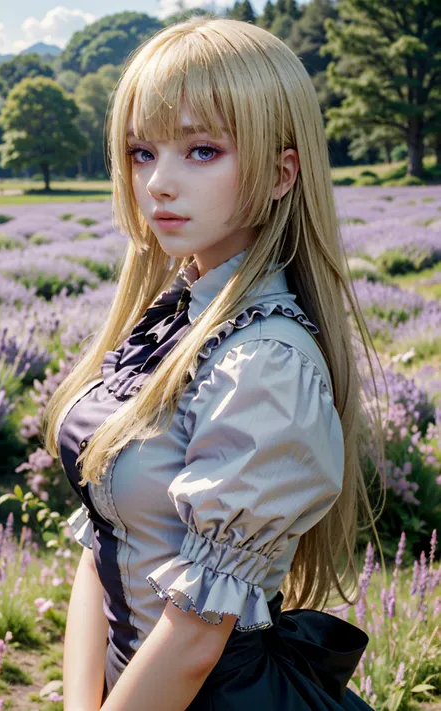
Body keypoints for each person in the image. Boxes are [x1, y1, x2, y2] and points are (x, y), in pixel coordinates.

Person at [42, 15, 386, 711]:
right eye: (143, 152)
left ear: (283, 171)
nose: (159, 184)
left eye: (201, 150)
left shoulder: (263, 363)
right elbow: (106, 545)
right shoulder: (173, 319)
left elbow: (195, 640)